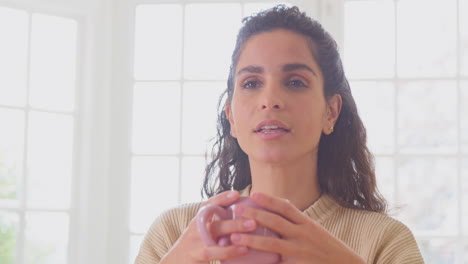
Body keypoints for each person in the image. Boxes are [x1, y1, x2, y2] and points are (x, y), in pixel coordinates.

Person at [135, 5, 425, 264]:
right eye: (251, 83)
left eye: (296, 82)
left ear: (331, 112)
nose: (270, 99)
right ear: (231, 116)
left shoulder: (386, 242)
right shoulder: (174, 232)